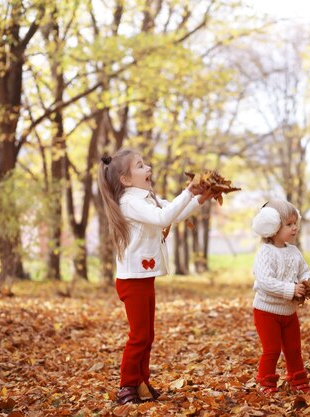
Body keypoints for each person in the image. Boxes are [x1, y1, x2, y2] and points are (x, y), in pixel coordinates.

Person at [98, 148, 215, 404]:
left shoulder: (146, 197)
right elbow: (164, 217)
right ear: (125, 179)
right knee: (139, 336)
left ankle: (141, 382)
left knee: (147, 335)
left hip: (143, 276)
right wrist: (187, 192)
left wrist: (198, 199)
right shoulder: (130, 202)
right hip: (132, 279)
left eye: (145, 164)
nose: (148, 168)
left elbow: (174, 213)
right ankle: (127, 386)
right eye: (140, 166)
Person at [251, 200, 310, 394]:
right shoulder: (265, 253)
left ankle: (298, 381)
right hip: (266, 311)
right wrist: (290, 289)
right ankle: (266, 383)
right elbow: (264, 281)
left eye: (295, 223)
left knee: (294, 349)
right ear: (272, 226)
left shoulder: (294, 252)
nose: (294, 228)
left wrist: (306, 281)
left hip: (289, 312)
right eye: (289, 224)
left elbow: (305, 270)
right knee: (272, 350)